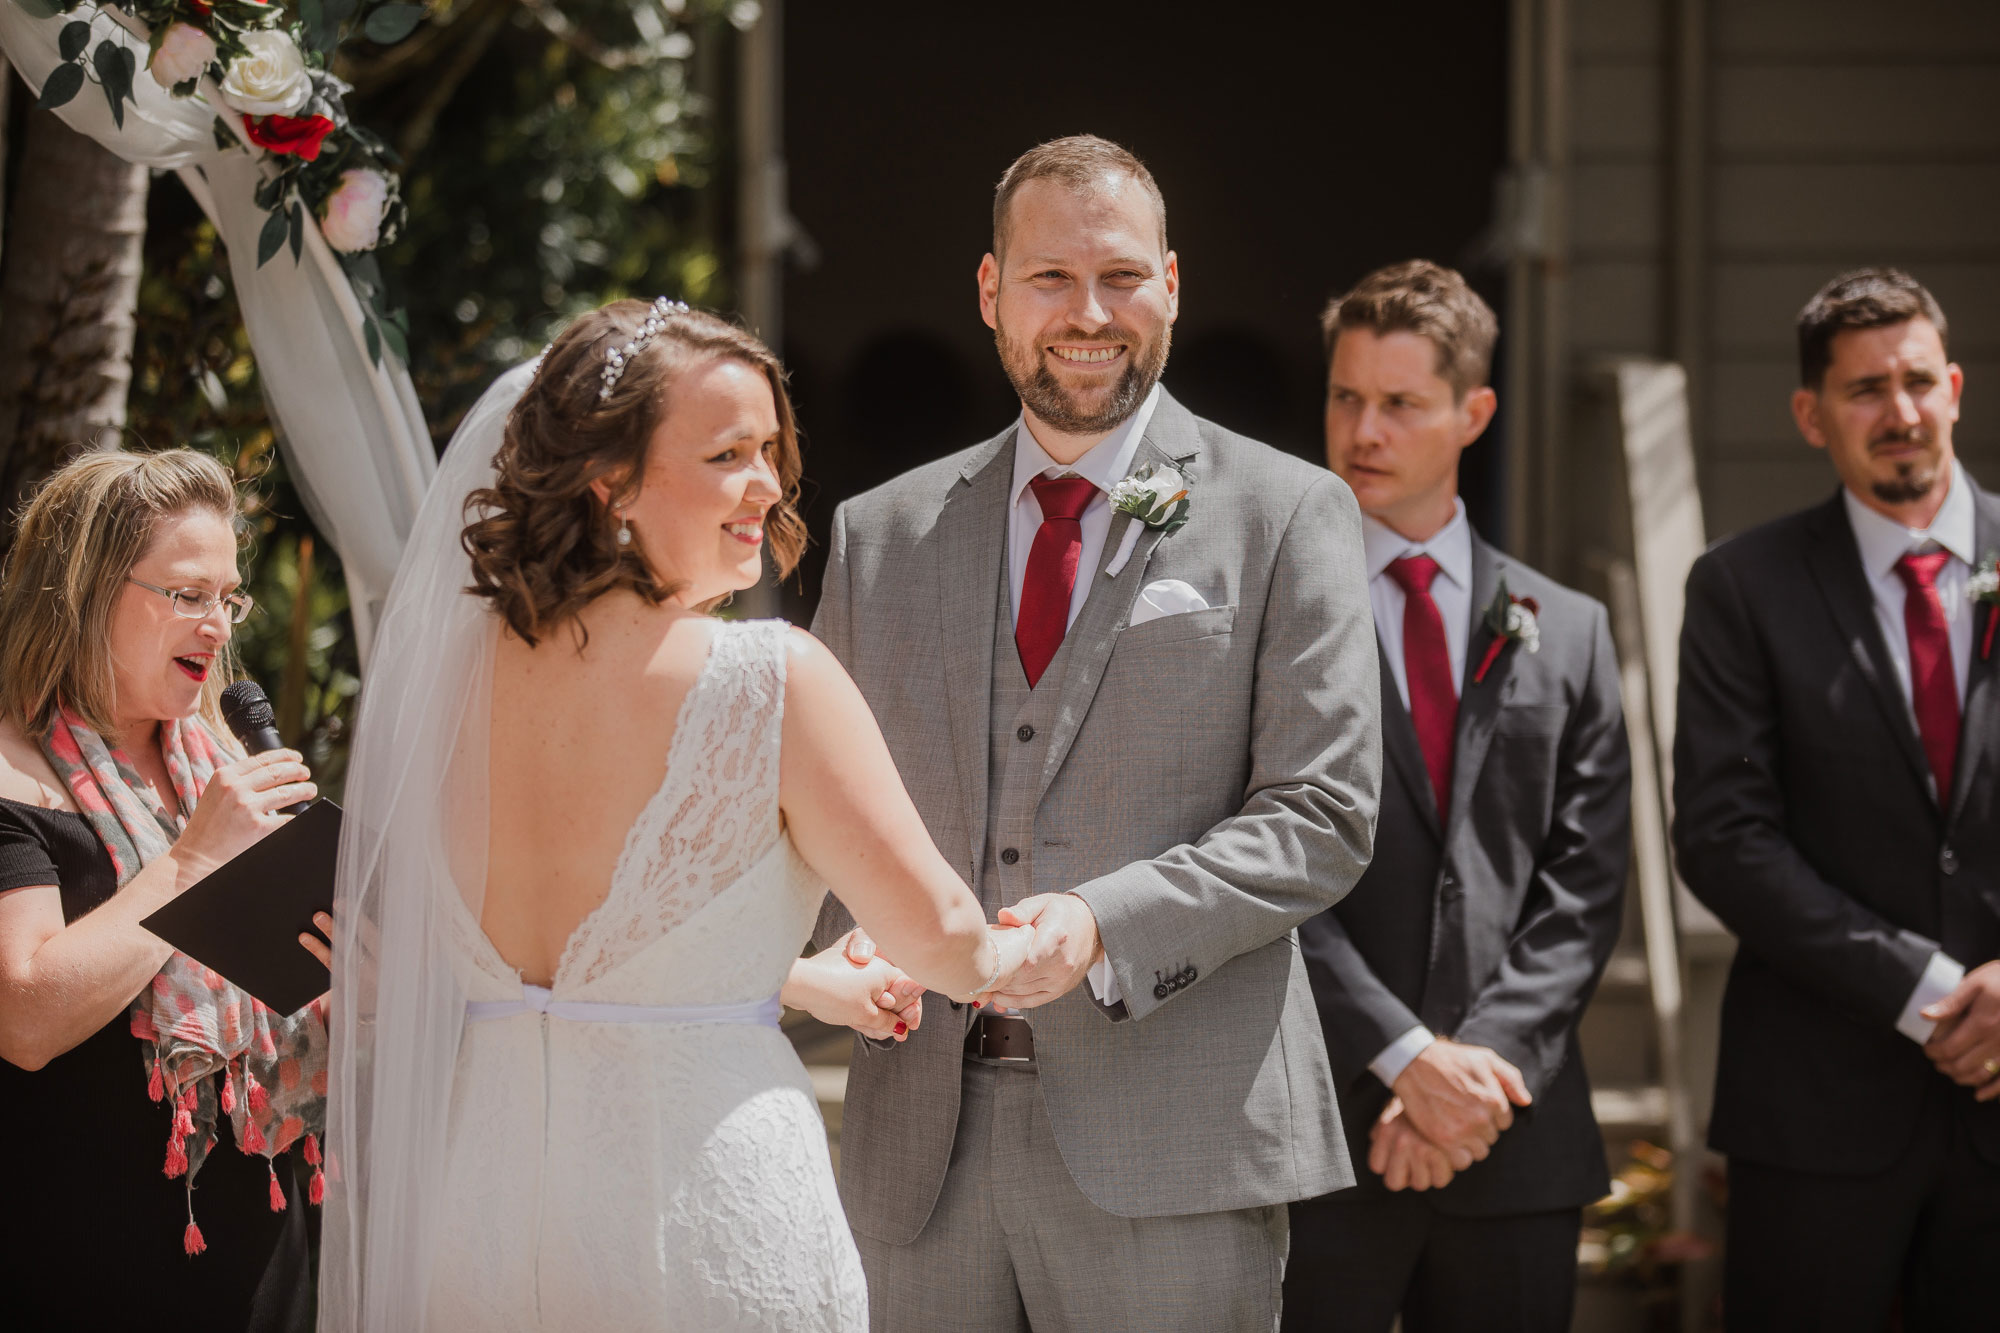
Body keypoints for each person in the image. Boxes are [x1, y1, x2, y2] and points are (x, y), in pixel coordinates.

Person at [316, 300, 1037, 1332]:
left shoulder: (447, 681)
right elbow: (949, 941)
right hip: (701, 1212)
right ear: (608, 483)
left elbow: (576, 978)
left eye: (769, 452)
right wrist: (1048, 938)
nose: (768, 486)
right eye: (727, 454)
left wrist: (801, 980)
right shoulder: (767, 679)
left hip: (477, 1219)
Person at [810, 134, 1381, 1331]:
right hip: (917, 1157)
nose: (1088, 313)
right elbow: (816, 809)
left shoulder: (1286, 512)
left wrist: (1101, 924)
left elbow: (1321, 815)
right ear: (988, 292)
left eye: (1120, 276)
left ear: (1170, 284)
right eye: (1049, 279)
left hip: (1171, 1146)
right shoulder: (881, 534)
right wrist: (834, 947)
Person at [1285, 261, 1630, 1332]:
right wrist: (1401, 1056)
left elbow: (1582, 889)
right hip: (1320, 1132)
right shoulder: (1270, 613)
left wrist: (1467, 1082)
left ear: (1472, 413)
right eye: (1346, 397)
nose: (1363, 430)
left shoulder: (1564, 628)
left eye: (1399, 403)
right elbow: (1252, 858)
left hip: (1511, 1134)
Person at [1673, 267, 2000, 1330]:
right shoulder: (1739, 586)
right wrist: (1927, 988)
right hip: (1813, 1115)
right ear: (1810, 416)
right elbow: (1722, 837)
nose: (1898, 413)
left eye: (1915, 381)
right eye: (1863, 390)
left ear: (1952, 387)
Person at [0, 450, 331, 1333]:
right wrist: (189, 864)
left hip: (269, 1246)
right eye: (187, 594)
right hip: (87, 1260)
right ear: (82, 590)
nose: (218, 625)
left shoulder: (228, 764)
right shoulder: (11, 780)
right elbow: (25, 1018)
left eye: (229, 597)